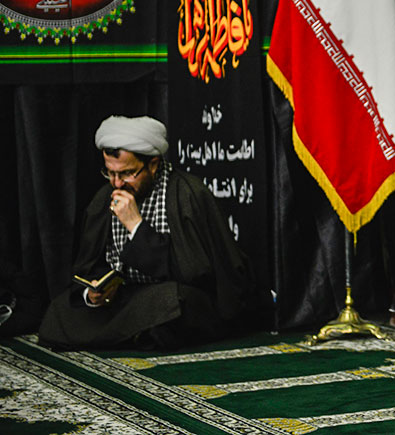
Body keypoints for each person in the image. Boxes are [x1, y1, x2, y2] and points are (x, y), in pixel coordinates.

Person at [38, 115, 254, 350]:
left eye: (127, 173)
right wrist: (94, 293)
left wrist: (136, 226)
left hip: (173, 296)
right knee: (59, 311)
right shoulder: (104, 198)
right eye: (110, 173)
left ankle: (128, 334)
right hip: (127, 299)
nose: (117, 183)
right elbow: (90, 264)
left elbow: (196, 273)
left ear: (153, 164)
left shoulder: (187, 194)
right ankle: (135, 335)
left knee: (173, 302)